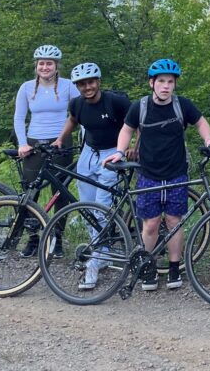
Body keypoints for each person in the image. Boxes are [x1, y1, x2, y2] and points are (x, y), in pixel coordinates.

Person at [106, 58, 210, 291]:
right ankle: (149, 266)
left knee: (174, 222)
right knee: (151, 224)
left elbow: (201, 122)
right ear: (152, 83)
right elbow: (126, 130)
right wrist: (118, 152)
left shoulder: (182, 105)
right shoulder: (141, 107)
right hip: (149, 173)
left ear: (174, 84)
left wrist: (208, 139)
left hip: (176, 172)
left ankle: (175, 267)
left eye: (170, 82)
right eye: (161, 81)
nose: (166, 86)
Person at [53, 62, 131, 290]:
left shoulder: (115, 101)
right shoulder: (76, 104)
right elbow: (73, 120)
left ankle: (94, 262)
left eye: (90, 82)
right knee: (87, 208)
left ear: (98, 81)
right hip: (88, 154)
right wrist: (60, 139)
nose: (87, 87)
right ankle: (103, 252)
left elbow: (134, 122)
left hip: (112, 154)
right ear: (77, 86)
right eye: (82, 84)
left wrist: (133, 145)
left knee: (102, 207)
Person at [12, 44, 79, 257]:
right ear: (36, 66)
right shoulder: (26, 87)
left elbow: (81, 113)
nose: (45, 67)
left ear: (56, 65)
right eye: (41, 63)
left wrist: (87, 139)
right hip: (34, 143)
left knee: (60, 193)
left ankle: (57, 239)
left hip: (61, 143)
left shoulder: (69, 86)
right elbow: (19, 118)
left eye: (49, 63)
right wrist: (22, 143)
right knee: (29, 192)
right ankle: (32, 239)